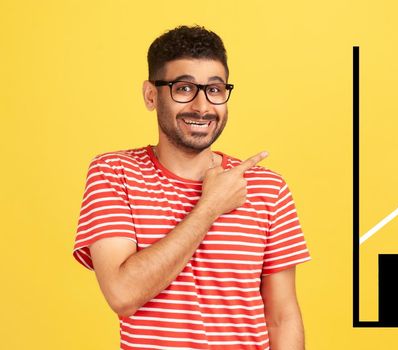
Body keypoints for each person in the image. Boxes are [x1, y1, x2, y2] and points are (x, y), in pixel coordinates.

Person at [72, 25, 311, 350]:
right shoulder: (115, 173)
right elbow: (123, 294)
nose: (202, 107)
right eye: (184, 88)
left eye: (214, 90)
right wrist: (210, 207)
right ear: (151, 95)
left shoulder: (267, 187)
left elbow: (282, 317)